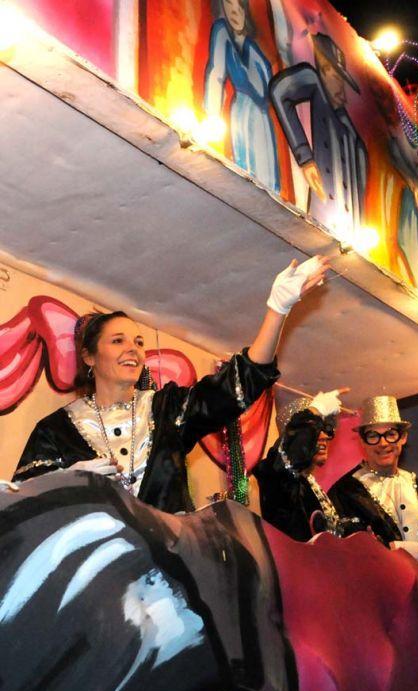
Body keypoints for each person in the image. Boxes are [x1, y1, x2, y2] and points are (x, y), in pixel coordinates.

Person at [11, 257, 328, 513]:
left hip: (170, 574)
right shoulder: (55, 431)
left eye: (138, 342)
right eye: (118, 341)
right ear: (89, 356)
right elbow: (21, 507)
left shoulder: (168, 410)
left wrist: (277, 311)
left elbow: (235, 387)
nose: (133, 349)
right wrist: (72, 483)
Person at [269, 32, 367, 239]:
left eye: (343, 78)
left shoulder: (353, 137)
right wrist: (305, 157)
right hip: (321, 217)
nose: (342, 87)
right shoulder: (316, 87)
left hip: (348, 232)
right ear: (324, 70)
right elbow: (280, 90)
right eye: (336, 76)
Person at [328, 395, 418, 563]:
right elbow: (349, 550)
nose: (383, 443)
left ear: (403, 438)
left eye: (391, 434)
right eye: (373, 436)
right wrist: (397, 548)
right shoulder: (345, 492)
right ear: (362, 441)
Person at [255, 388, 359, 541]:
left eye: (325, 429)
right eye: (315, 432)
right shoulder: (276, 476)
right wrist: (316, 410)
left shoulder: (308, 483)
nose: (324, 437)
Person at [204, 0, 280, 193]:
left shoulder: (252, 46)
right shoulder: (222, 31)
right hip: (244, 112)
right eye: (229, 5)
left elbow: (267, 88)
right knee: (247, 175)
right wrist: (212, 115)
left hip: (263, 120)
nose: (235, 12)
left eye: (239, 6)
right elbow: (216, 72)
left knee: (269, 186)